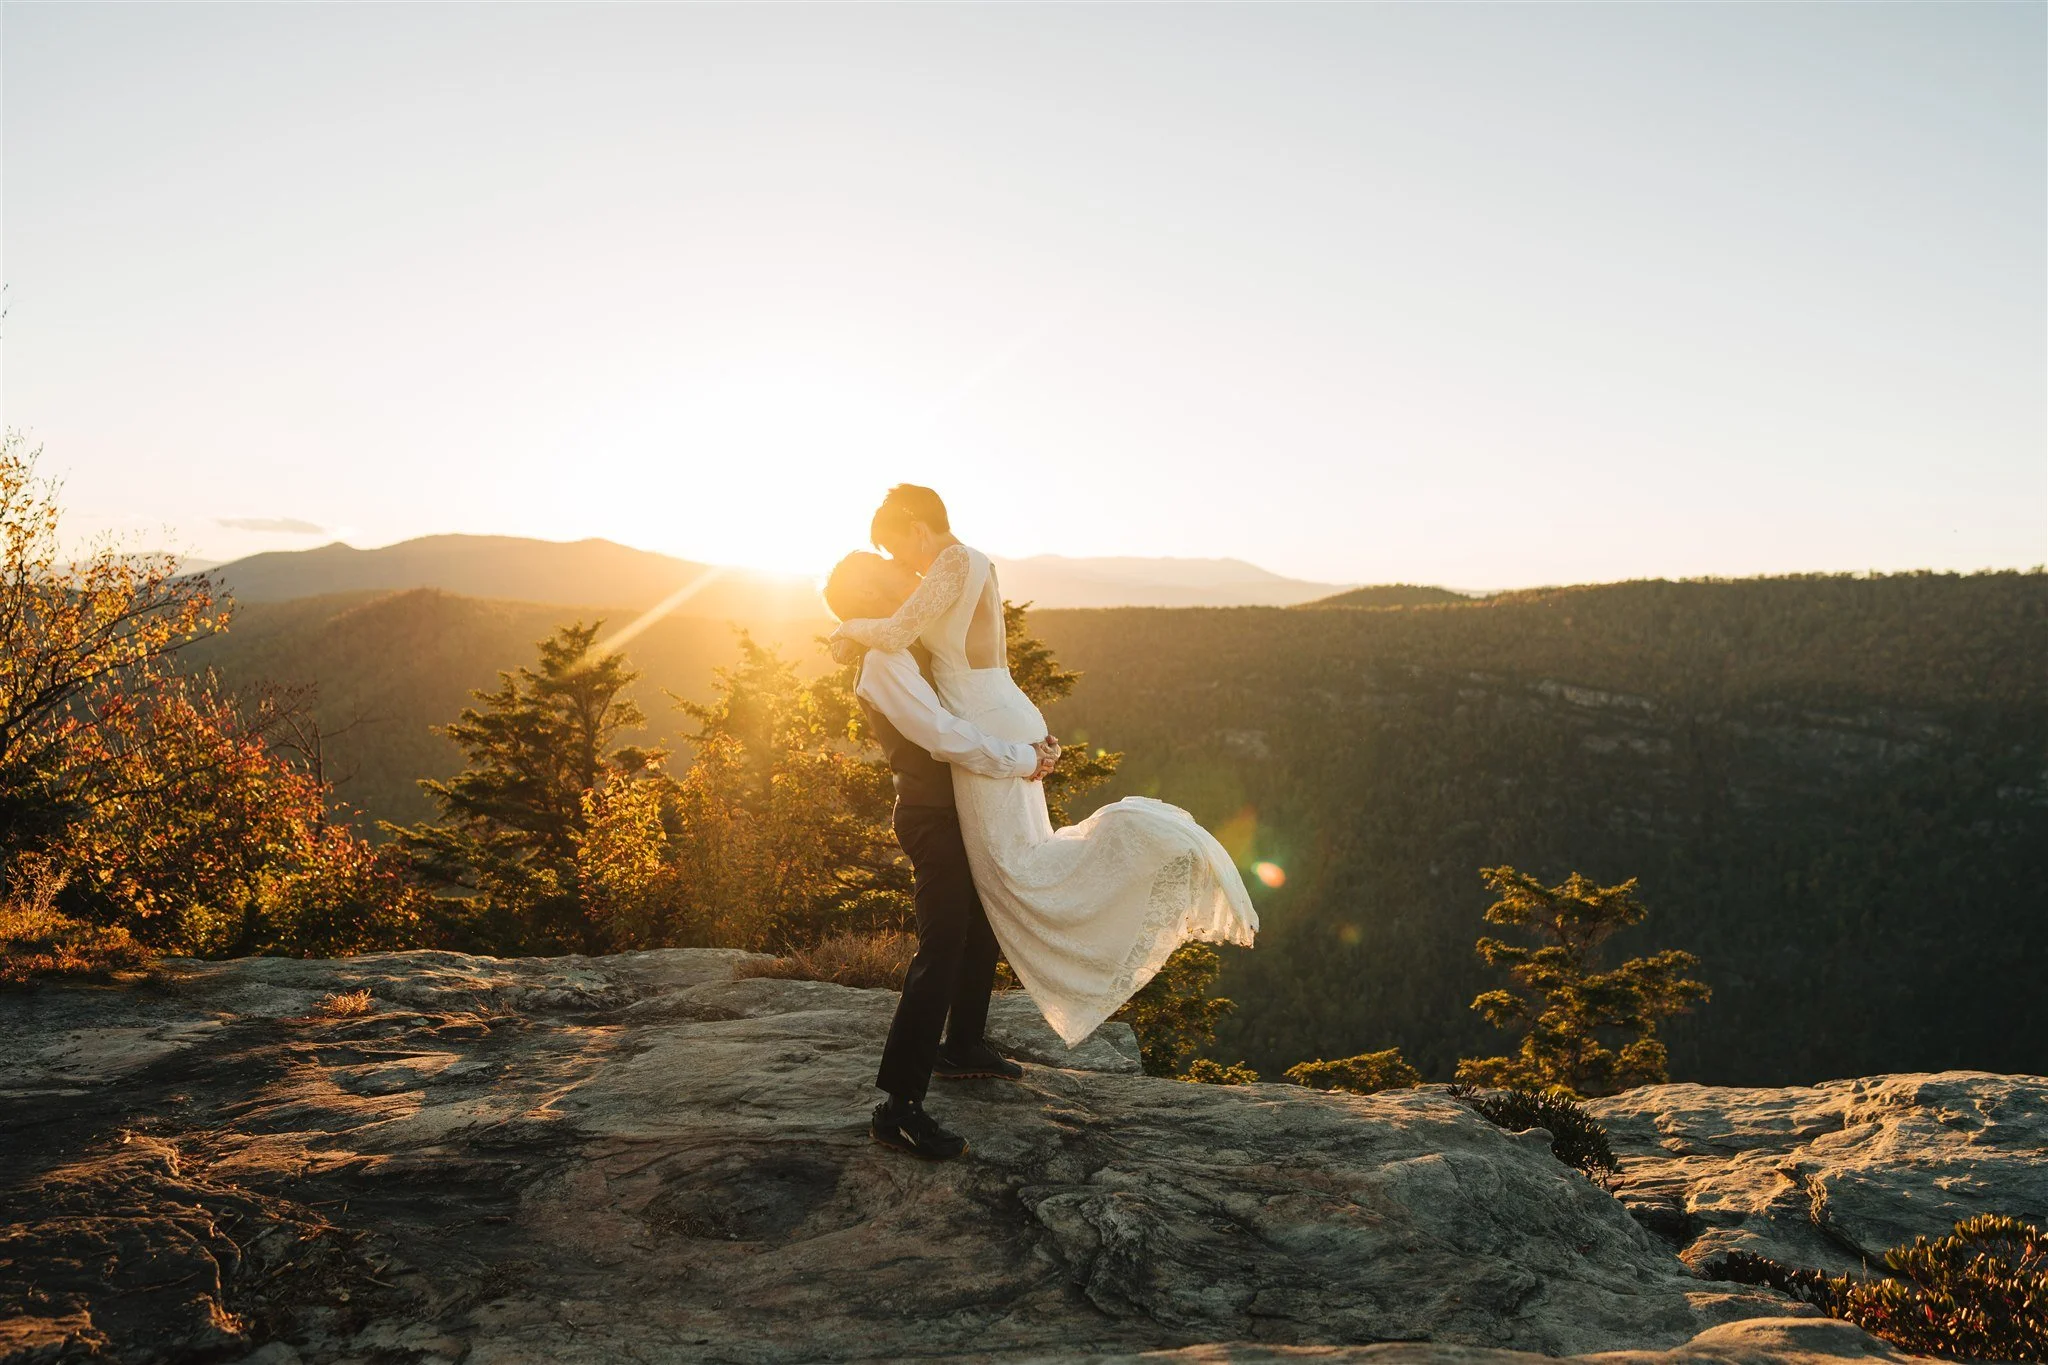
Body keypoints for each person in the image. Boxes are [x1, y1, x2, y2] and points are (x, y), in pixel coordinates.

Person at [829, 484, 1258, 1059]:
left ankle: (1142, 842)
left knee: (1018, 871)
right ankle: (964, 1045)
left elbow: (894, 634)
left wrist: (846, 628)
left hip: (991, 727)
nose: (903, 566)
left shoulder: (953, 561)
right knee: (1005, 877)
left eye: (897, 550)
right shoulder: (972, 564)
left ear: (915, 526)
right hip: (1001, 718)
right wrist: (1026, 741)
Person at [823, 550, 1060, 1161]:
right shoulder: (883, 663)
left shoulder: (912, 645)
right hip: (930, 817)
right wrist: (1020, 761)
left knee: (981, 925)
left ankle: (964, 1047)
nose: (914, 581)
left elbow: (976, 694)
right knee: (943, 944)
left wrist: (1030, 738)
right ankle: (897, 1108)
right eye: (895, 578)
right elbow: (939, 735)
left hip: (965, 806)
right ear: (872, 598)